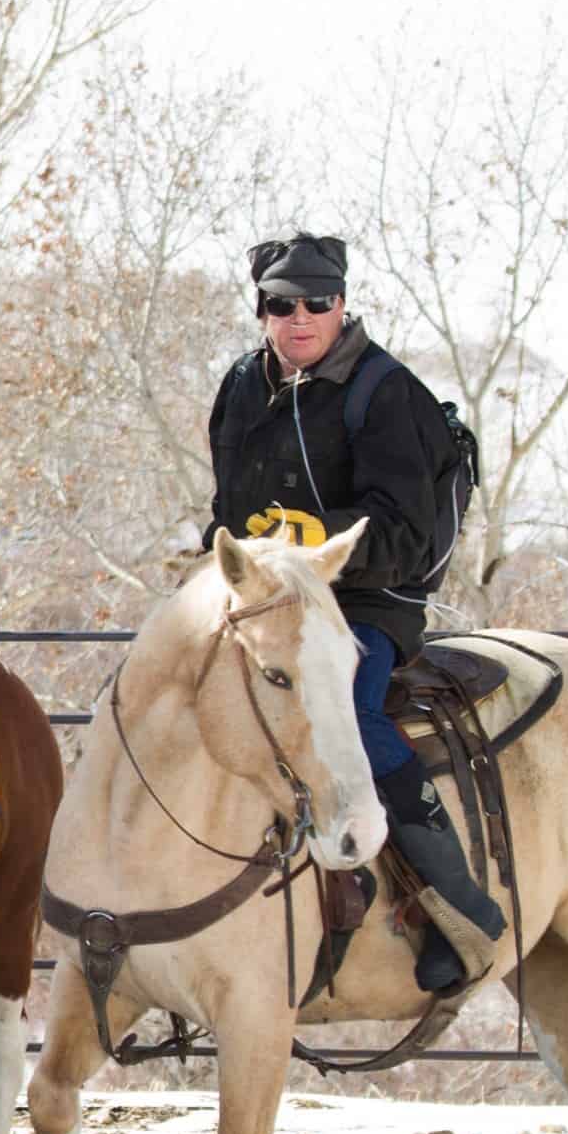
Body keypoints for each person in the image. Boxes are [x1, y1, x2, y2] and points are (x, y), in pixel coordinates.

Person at [204, 232, 505, 992]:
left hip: (371, 595)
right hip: (271, 596)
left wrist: (309, 537)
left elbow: (401, 536)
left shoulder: (385, 391)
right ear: (262, 310)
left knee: (353, 710)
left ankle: (456, 908)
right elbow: (226, 508)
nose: (299, 317)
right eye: (281, 303)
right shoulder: (241, 386)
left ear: (342, 304)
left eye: (317, 302)